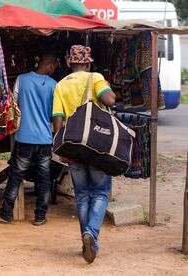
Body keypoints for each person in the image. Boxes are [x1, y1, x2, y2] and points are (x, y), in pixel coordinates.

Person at [52, 45, 116, 264]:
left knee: (81, 195)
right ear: (87, 63)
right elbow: (110, 101)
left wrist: (60, 147)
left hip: (73, 146)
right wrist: (107, 88)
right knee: (100, 192)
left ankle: (87, 240)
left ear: (70, 63)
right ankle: (91, 233)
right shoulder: (95, 78)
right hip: (97, 146)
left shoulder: (61, 85)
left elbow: (57, 118)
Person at [0, 53, 59, 226]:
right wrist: (57, 136)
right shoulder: (54, 85)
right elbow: (55, 114)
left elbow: (14, 106)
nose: (55, 69)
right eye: (55, 66)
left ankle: (5, 214)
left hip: (24, 137)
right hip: (44, 139)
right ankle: (40, 217)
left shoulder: (22, 79)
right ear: (49, 66)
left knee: (15, 176)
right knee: (44, 179)